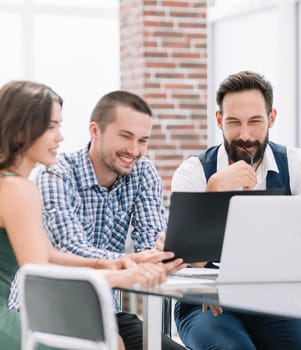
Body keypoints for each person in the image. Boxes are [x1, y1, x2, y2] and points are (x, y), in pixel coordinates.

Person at [0, 80, 182, 349]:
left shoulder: (12, 183)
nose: (60, 136)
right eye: (51, 127)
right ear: (19, 132)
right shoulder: (18, 189)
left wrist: (114, 263)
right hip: (14, 315)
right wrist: (122, 277)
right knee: (109, 344)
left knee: (116, 342)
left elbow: (49, 255)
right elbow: (39, 275)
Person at [171, 70, 301, 350]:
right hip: (205, 302)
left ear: (272, 118)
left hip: (274, 300)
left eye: (255, 122)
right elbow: (184, 254)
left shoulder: (297, 165)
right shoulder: (194, 171)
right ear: (219, 120)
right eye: (233, 122)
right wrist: (214, 191)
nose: (244, 135)